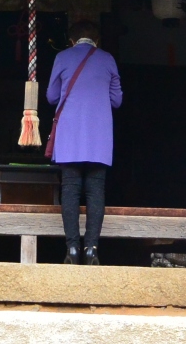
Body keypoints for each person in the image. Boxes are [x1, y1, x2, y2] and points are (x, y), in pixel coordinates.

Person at [45, 19, 122, 265]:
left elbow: (51, 96)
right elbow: (117, 100)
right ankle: (92, 250)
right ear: (97, 41)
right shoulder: (108, 59)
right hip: (99, 135)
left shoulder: (62, 57)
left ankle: (72, 249)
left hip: (69, 133)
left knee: (70, 188)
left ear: (71, 41)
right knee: (96, 190)